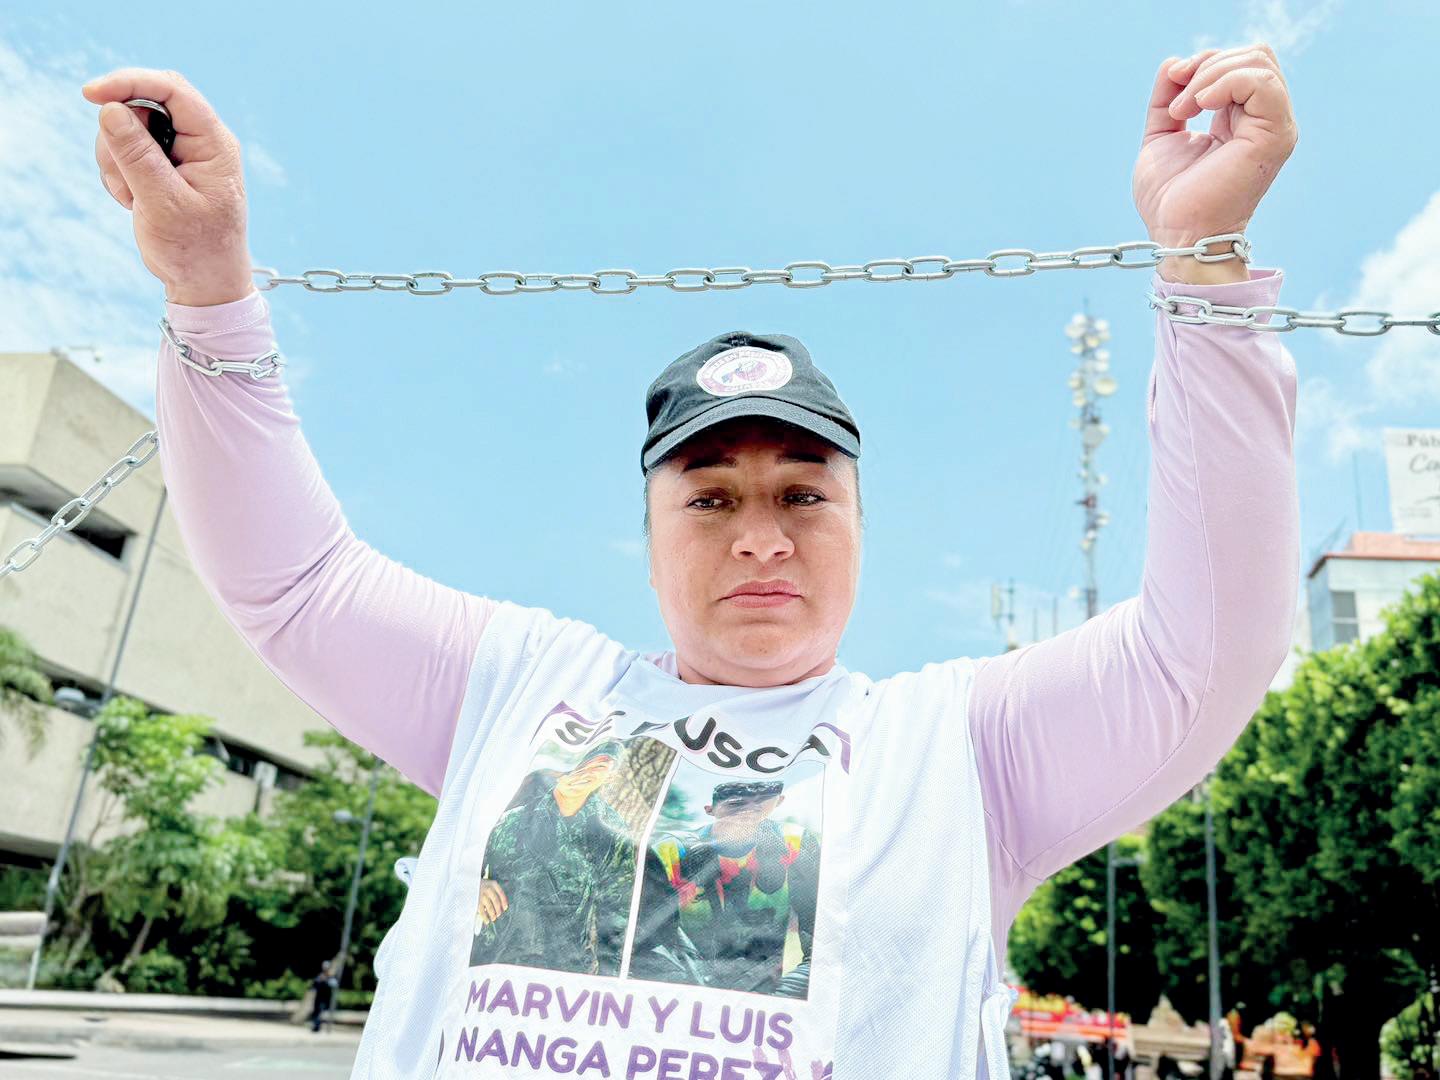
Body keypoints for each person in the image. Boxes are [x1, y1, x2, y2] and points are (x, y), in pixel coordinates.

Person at [80, 41, 1300, 1080]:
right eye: (709, 497)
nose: (760, 534)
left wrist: (1204, 257)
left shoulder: (961, 749)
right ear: (649, 534)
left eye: (804, 494)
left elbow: (1206, 650)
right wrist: (208, 282)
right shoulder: (517, 686)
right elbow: (293, 579)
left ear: (861, 525)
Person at [636, 779, 820, 995]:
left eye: (758, 805)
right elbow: (640, 945)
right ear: (710, 810)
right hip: (685, 988)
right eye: (735, 805)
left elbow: (822, 947)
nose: (746, 815)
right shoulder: (671, 852)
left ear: (777, 802)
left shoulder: (795, 845)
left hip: (767, 993)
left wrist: (783, 996)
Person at [469, 740, 635, 975]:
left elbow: (618, 912)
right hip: (494, 967)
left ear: (609, 776)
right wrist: (474, 886)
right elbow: (454, 869)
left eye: (599, 766)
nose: (584, 773)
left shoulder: (611, 831)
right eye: (580, 764)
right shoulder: (509, 818)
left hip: (564, 976)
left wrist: (608, 981)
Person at [309, 959, 337, 1033]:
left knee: (320, 1012)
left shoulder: (330, 977)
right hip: (318, 998)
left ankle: (317, 1026)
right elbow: (314, 985)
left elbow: (334, 985)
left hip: (325, 999)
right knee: (316, 1012)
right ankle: (315, 1026)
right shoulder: (319, 976)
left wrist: (327, 981)